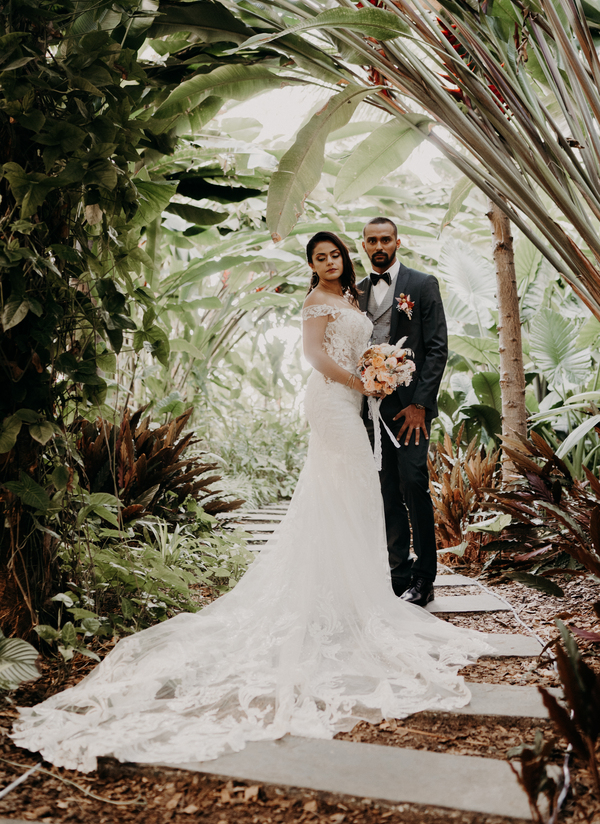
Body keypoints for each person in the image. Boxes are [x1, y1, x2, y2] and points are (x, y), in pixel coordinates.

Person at [13, 232, 485, 774]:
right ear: (311, 265)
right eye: (319, 257)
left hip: (357, 402)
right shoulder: (314, 303)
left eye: (334, 255)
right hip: (333, 403)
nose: (329, 262)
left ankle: (357, 592)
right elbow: (314, 356)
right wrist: (361, 379)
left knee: (354, 495)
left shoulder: (353, 300)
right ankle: (349, 599)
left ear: (344, 259)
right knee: (344, 486)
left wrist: (380, 373)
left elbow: (373, 346)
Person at [359, 217, 447, 607]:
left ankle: (425, 578)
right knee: (385, 491)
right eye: (372, 240)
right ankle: (399, 575)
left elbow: (438, 348)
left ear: (397, 241)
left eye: (386, 239)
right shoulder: (356, 290)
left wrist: (420, 406)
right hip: (369, 410)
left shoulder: (421, 284)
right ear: (363, 245)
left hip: (410, 411)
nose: (380, 245)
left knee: (414, 484)